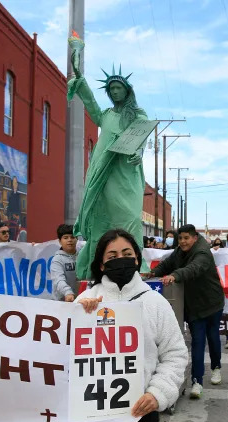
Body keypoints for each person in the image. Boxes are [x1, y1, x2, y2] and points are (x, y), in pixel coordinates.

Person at [75, 229, 188, 422]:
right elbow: (61, 354)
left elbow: (175, 354)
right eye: (112, 256)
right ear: (101, 265)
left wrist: (158, 393)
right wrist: (77, 315)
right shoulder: (84, 301)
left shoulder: (155, 303)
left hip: (140, 414)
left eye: (127, 254)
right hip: (90, 415)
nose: (121, 259)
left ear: (136, 259)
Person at [68, 36, 148, 280]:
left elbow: (141, 140)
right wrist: (79, 76)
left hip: (125, 173)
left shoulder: (138, 115)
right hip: (103, 174)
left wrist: (137, 153)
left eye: (118, 88)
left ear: (127, 90)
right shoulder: (105, 116)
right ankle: (96, 266)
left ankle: (137, 266)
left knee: (131, 218)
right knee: (102, 220)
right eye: (111, 89)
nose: (115, 92)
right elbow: (90, 102)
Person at [150, 224, 226, 399]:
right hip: (193, 306)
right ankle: (197, 381)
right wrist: (152, 273)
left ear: (194, 238)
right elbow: (166, 264)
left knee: (213, 337)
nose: (182, 242)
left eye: (186, 238)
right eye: (180, 238)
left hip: (212, 303)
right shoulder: (179, 252)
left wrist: (175, 276)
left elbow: (194, 268)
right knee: (197, 342)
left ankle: (216, 367)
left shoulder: (203, 253)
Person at [51, 224, 78, 302]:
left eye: (72, 237)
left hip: (81, 301)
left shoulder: (82, 257)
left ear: (77, 239)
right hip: (61, 302)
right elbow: (58, 280)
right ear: (60, 241)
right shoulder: (57, 260)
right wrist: (67, 292)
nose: (69, 240)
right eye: (65, 238)